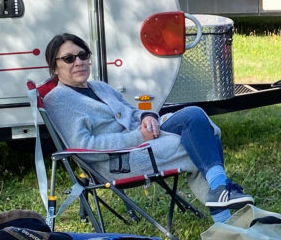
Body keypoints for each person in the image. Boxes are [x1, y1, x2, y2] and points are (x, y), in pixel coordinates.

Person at [42, 33, 253, 221]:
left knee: (195, 115)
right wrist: (138, 137)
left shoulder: (98, 86)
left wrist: (147, 116)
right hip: (120, 160)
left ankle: (218, 190)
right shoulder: (58, 100)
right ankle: (224, 215)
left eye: (83, 55)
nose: (78, 62)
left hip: (145, 139)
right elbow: (85, 148)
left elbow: (130, 111)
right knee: (201, 140)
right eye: (69, 59)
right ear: (54, 66)